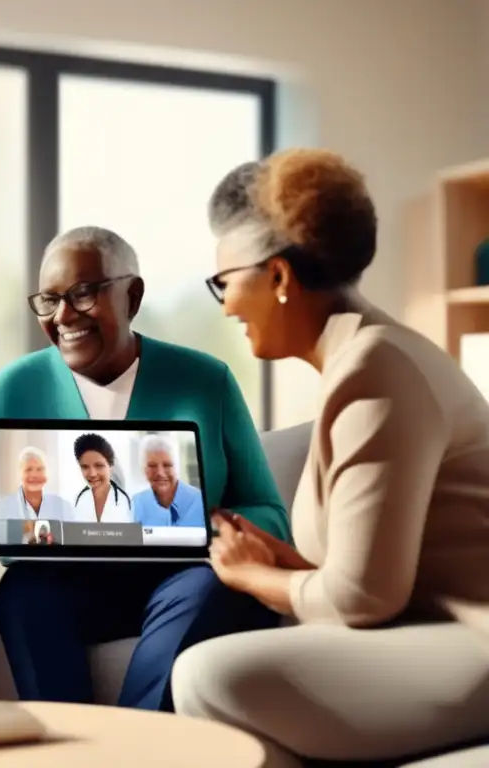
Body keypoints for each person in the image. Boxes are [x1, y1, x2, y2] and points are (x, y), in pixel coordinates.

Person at [171, 149, 489, 765]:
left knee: (207, 675)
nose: (228, 306)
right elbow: (363, 573)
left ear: (280, 279)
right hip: (430, 631)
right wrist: (280, 560)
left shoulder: (376, 368)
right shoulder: (367, 357)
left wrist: (251, 576)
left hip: (472, 641)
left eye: (224, 284)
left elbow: (364, 600)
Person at [0, 225, 291, 711]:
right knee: (22, 591)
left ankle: (133, 747)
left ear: (132, 295)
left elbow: (269, 512)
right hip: (68, 585)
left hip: (180, 578)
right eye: (49, 300)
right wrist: (6, 520)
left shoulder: (206, 380)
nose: (63, 316)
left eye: (82, 294)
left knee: (210, 585)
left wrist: (209, 524)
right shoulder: (16, 385)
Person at [131, 434, 205, 527]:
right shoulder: (136, 503)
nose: (160, 473)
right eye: (152, 465)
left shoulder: (200, 501)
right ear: (144, 469)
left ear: (177, 467)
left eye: (167, 465)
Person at [0, 446, 74, 521]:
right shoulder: (2, 507)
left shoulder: (63, 506)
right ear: (19, 473)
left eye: (40, 469)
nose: (34, 475)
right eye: (28, 469)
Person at [71, 433, 132, 523]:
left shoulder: (126, 501)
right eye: (85, 467)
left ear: (110, 466)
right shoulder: (77, 500)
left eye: (99, 466)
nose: (92, 474)